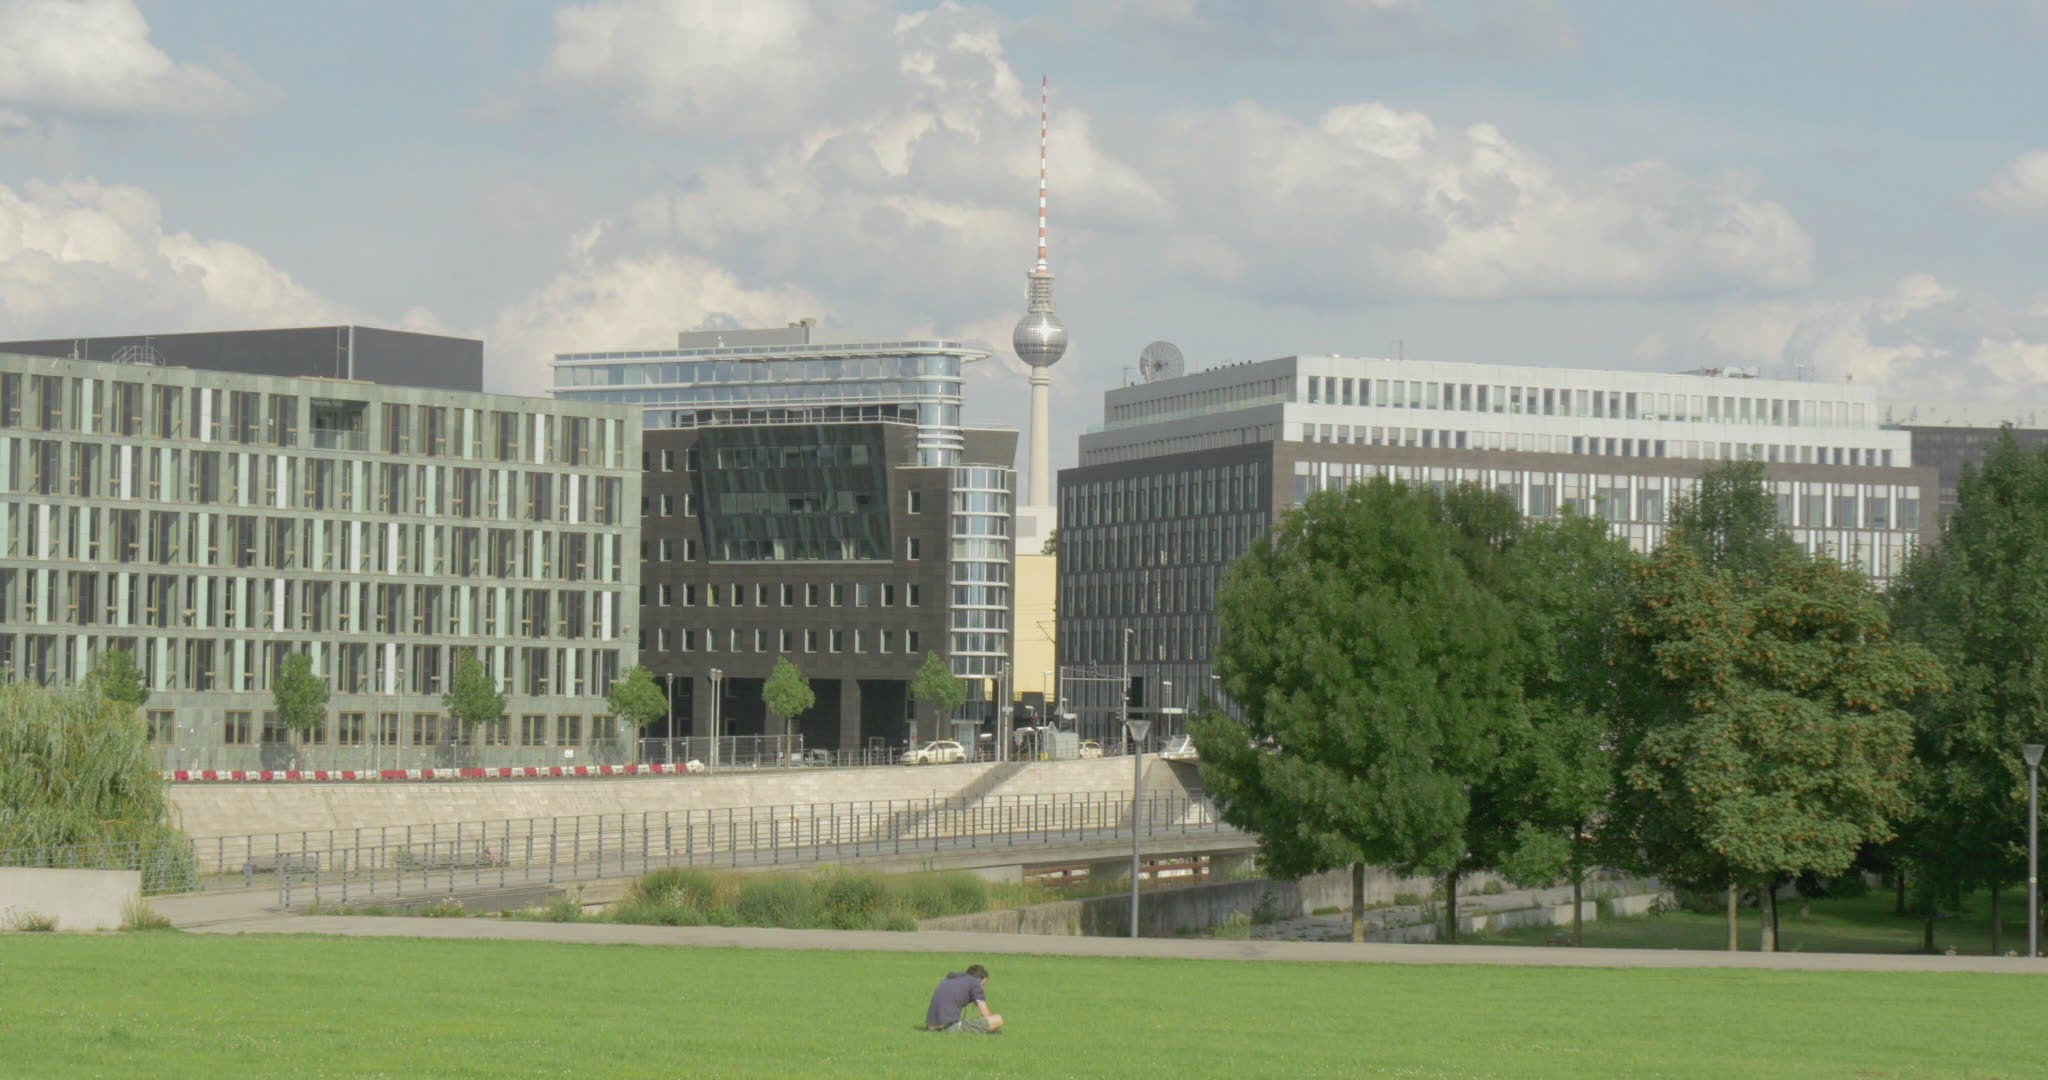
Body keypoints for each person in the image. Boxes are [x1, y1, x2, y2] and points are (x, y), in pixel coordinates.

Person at [925, 964, 1003, 1033]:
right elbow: (986, 1014)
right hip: (949, 1027)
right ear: (979, 980)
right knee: (998, 1019)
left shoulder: (949, 979)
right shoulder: (975, 983)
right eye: (983, 985)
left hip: (931, 1026)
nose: (982, 988)